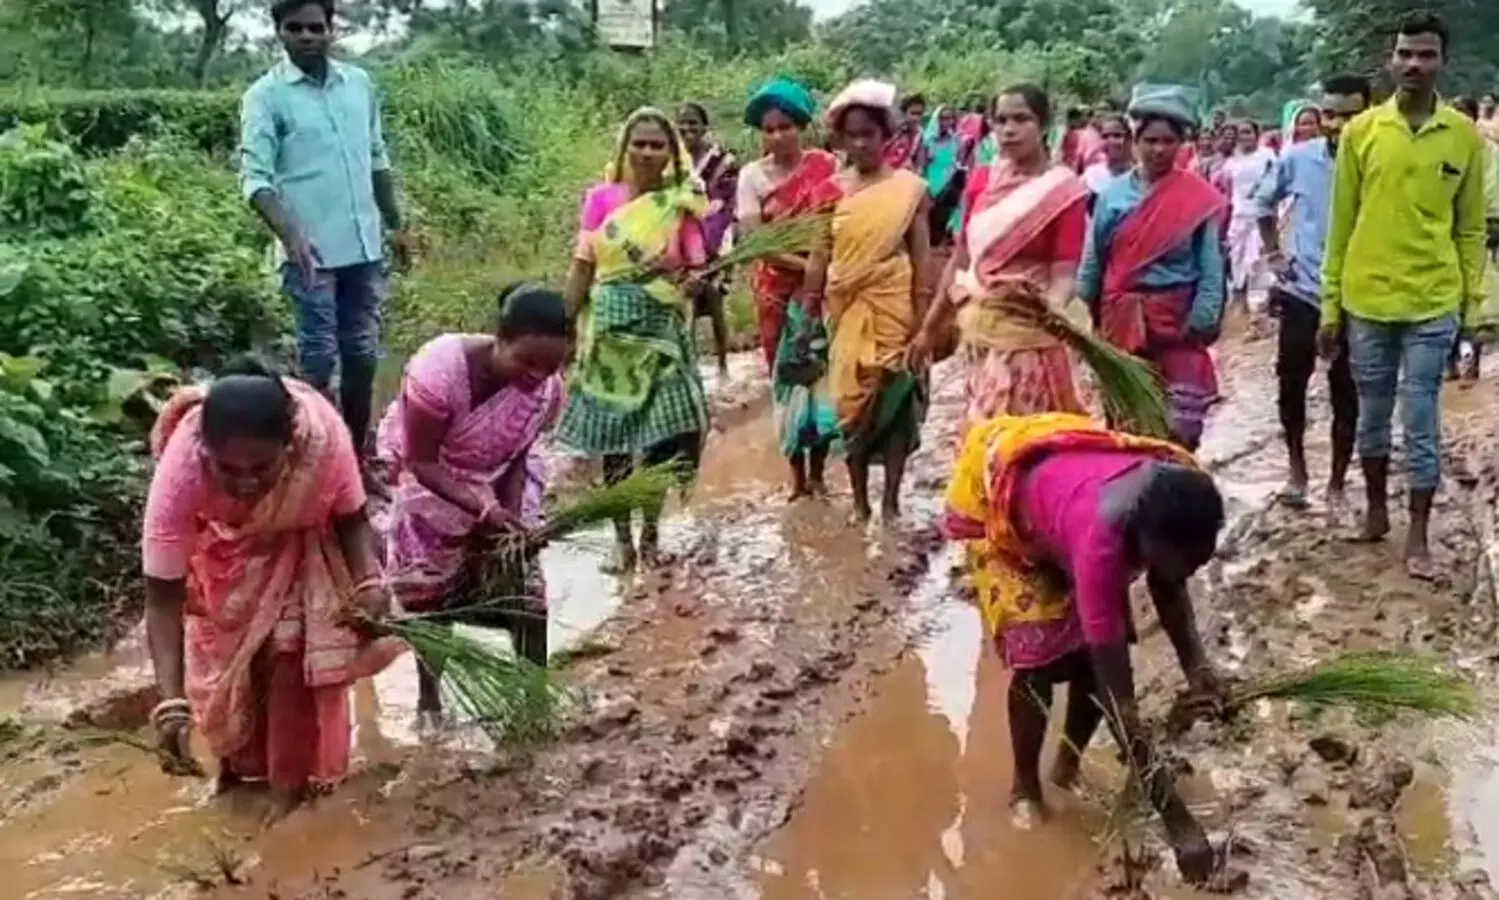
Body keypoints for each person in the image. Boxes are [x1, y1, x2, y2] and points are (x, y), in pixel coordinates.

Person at [941, 411, 1225, 884]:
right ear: (1144, 542)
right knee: (1040, 659)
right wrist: (1179, 825)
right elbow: (1121, 704)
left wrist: (1199, 671)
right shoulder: (1101, 544)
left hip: (1069, 493)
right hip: (1009, 509)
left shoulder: (1181, 484)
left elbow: (1170, 585)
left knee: (1092, 666)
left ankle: (1066, 766)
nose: (1189, 573)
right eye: (1181, 562)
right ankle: (1025, 787)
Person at [142, 357, 402, 811]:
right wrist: (171, 704)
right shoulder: (183, 468)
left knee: (289, 658)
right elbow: (163, 596)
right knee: (229, 672)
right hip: (224, 560)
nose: (246, 482)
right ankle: (237, 774)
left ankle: (290, 797)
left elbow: (351, 518)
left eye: (262, 468)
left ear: (291, 445)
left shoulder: (323, 441)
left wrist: (368, 584)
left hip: (301, 546)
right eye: (228, 470)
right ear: (205, 450)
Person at [1320, 13, 1487, 579]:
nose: (1414, 64)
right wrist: (1330, 306)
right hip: (1366, 299)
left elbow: (1470, 231)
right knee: (1371, 415)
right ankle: (1375, 513)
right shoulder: (1362, 132)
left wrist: (1472, 310)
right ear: (1391, 61)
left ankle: (1418, 535)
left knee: (1419, 416)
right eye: (1405, 53)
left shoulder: (1463, 136)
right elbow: (1341, 226)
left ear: (1442, 62)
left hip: (1433, 300)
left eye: (1426, 54)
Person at [239, 0, 411, 492]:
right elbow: (255, 179)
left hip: (363, 248)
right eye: (295, 28)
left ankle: (355, 463)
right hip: (310, 256)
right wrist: (290, 234)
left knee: (362, 355)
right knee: (317, 363)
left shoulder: (358, 85)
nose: (307, 36)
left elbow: (377, 159)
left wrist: (396, 225)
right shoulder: (266, 97)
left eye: (316, 27)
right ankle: (311, 466)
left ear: (332, 30)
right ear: (279, 32)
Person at [378, 285, 570, 717]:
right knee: (430, 601)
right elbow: (421, 461)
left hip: (499, 486)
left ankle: (535, 704)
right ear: (499, 338)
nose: (537, 375)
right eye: (526, 360)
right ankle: (430, 704)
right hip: (432, 490)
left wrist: (510, 518)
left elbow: (518, 454)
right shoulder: (439, 372)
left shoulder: (547, 392)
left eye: (551, 365)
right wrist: (482, 508)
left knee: (526, 597)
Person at [558, 107, 712, 572]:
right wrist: (562, 326)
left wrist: (695, 283)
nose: (646, 153)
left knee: (663, 438)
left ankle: (650, 537)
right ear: (625, 148)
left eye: (656, 145)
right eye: (638, 143)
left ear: (671, 152)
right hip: (611, 332)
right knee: (616, 440)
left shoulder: (680, 202)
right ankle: (622, 542)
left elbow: (697, 265)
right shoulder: (601, 199)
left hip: (661, 328)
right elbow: (583, 265)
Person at [912, 84, 1091, 434]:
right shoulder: (982, 181)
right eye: (1001, 120)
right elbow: (961, 260)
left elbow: (1064, 273)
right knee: (980, 436)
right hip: (981, 333)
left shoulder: (1064, 192)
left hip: (1030, 338)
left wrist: (1045, 311)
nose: (1009, 130)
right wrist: (929, 330)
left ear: (1044, 125)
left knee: (1021, 436)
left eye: (1021, 119)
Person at [802, 79, 934, 523]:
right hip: (845, 308)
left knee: (896, 400)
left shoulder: (910, 190)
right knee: (850, 405)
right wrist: (807, 312)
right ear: (840, 139)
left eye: (869, 134)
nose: (861, 143)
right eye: (852, 135)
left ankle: (891, 501)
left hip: (894, 304)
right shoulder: (828, 191)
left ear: (887, 136)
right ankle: (859, 502)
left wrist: (924, 322)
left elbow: (921, 257)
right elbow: (819, 256)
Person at [1078, 85, 1228, 451]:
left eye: (1168, 141)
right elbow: (1094, 259)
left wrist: (1204, 318)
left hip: (1176, 321)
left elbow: (1211, 266)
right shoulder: (1112, 196)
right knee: (1128, 424)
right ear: (1136, 142)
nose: (1159, 150)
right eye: (1150, 141)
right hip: (1120, 321)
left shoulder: (1197, 198)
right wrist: (1087, 316)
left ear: (1181, 144)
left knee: (1181, 427)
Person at [1254, 75, 1371, 512]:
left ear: (1369, 114)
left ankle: (1337, 482)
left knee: (1348, 392)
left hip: (1358, 296)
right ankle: (1297, 471)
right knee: (1291, 384)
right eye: (1329, 114)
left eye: (1350, 115)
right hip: (1304, 290)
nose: (1337, 124)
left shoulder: (1381, 160)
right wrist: (1273, 254)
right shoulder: (1299, 158)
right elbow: (1261, 202)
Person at [737, 77, 842, 500]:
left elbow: (839, 222)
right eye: (769, 129)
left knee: (822, 376)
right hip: (777, 293)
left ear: (802, 127)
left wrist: (823, 271)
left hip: (825, 292)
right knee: (787, 380)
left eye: (786, 126)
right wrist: (811, 265)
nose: (778, 136)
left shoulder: (827, 167)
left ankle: (818, 472)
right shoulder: (752, 177)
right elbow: (757, 242)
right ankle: (796, 475)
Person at [676, 102, 737, 378]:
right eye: (682, 123)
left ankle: (723, 365)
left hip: (716, 239)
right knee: (684, 301)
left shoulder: (722, 161)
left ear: (704, 127)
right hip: (681, 240)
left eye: (693, 122)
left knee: (713, 300)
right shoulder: (673, 161)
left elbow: (727, 200)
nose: (687, 128)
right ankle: (690, 367)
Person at [1222, 120, 1276, 313]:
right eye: (1241, 133)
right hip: (1239, 217)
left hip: (1261, 216)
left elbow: (1274, 183)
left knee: (1257, 258)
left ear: (1256, 134)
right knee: (1237, 257)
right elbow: (1229, 191)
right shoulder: (1230, 163)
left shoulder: (1267, 156)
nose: (1245, 137)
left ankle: (1259, 305)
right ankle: (1239, 299)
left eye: (1248, 132)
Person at [921, 105, 968, 244]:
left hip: (950, 181)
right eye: (943, 118)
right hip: (931, 181)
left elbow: (959, 160)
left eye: (950, 118)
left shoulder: (956, 140)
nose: (947, 122)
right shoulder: (927, 140)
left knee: (948, 214)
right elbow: (922, 164)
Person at [1081, 112, 1134, 200]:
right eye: (1105, 136)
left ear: (1130, 139)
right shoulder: (1091, 176)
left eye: (1117, 135)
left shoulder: (1141, 177)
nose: (1110, 141)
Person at [885, 94, 927, 170]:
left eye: (919, 114)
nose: (916, 118)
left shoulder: (919, 135)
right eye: (913, 113)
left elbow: (920, 162)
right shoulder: (895, 131)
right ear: (905, 113)